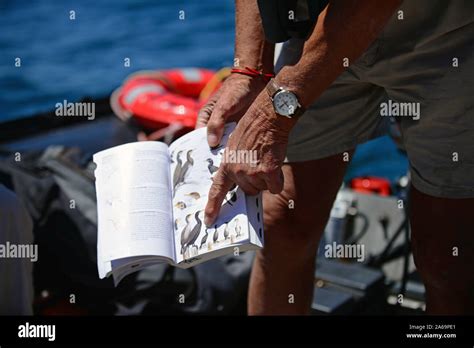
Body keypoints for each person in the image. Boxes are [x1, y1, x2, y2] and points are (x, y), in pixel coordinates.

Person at [196, 0, 474, 315]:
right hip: (317, 26)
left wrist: (275, 110)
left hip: (445, 33)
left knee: (448, 258)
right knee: (282, 224)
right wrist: (249, 69)